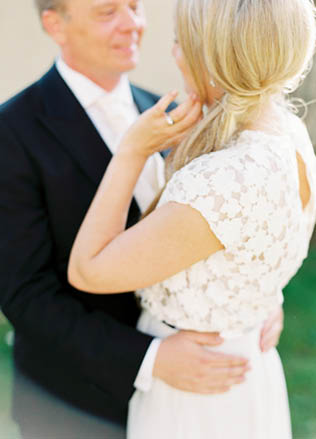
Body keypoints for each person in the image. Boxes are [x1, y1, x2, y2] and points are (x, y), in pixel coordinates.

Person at [0, 0, 284, 435]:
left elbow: (225, 223)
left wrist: (258, 297)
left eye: (134, 6)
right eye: (108, 13)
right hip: (72, 403)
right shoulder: (10, 131)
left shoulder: (168, 109)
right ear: (56, 24)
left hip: (191, 401)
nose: (133, 25)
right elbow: (26, 296)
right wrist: (151, 358)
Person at [68, 0, 316, 437]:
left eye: (181, 41)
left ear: (213, 59)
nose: (173, 52)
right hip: (248, 368)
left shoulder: (220, 179)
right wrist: (264, 299)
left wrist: (131, 151)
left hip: (197, 395)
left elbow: (88, 269)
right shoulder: (291, 132)